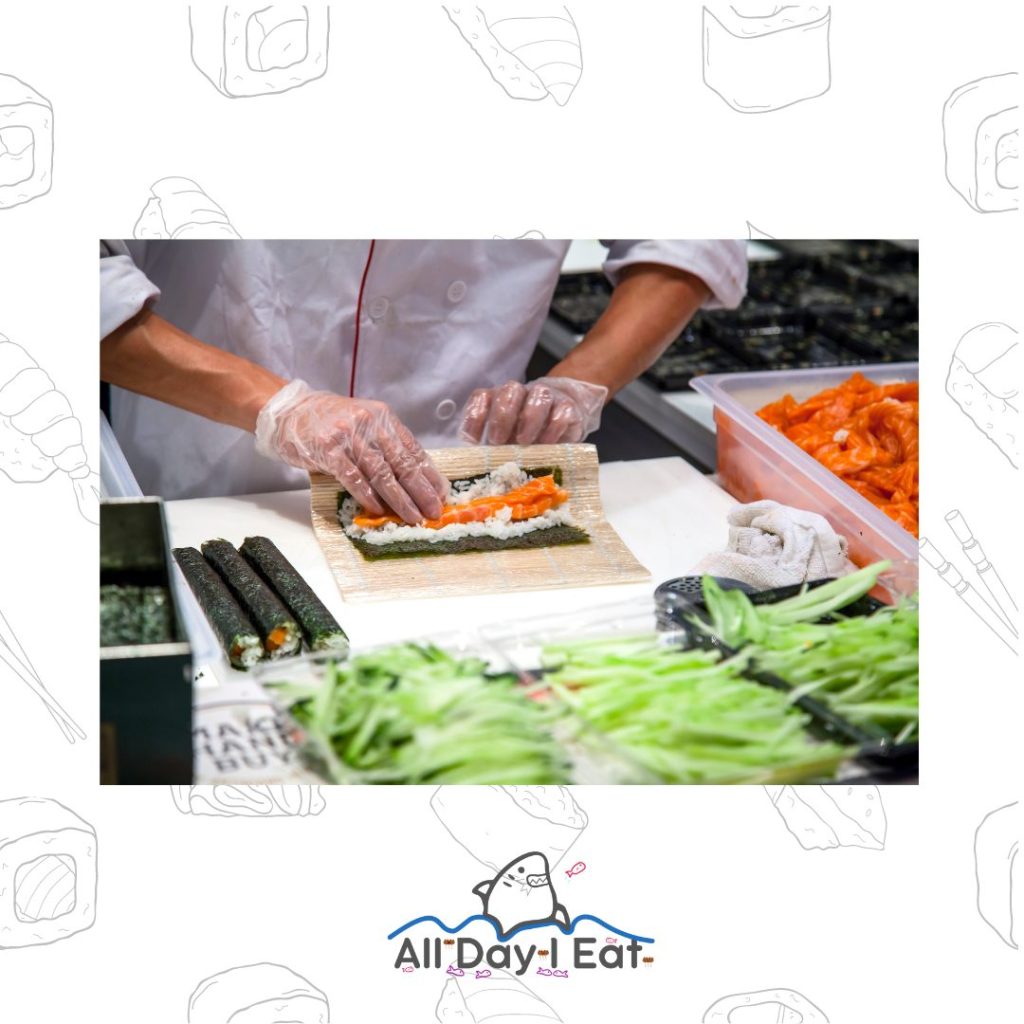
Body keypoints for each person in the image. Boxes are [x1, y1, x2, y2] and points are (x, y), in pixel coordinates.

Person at [101, 239, 747, 520]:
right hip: (208, 477)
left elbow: (687, 235)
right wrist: (279, 409)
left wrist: (579, 382)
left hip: (467, 476)